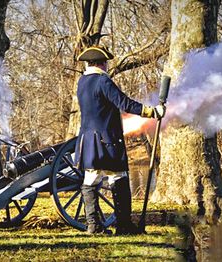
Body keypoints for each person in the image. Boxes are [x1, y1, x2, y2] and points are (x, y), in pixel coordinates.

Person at [74, 45, 165, 235]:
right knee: (119, 178)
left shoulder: (82, 82)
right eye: (106, 62)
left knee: (90, 180)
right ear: (102, 63)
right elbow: (124, 103)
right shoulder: (102, 81)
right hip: (107, 140)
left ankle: (94, 226)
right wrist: (151, 111)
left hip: (88, 140)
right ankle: (124, 226)